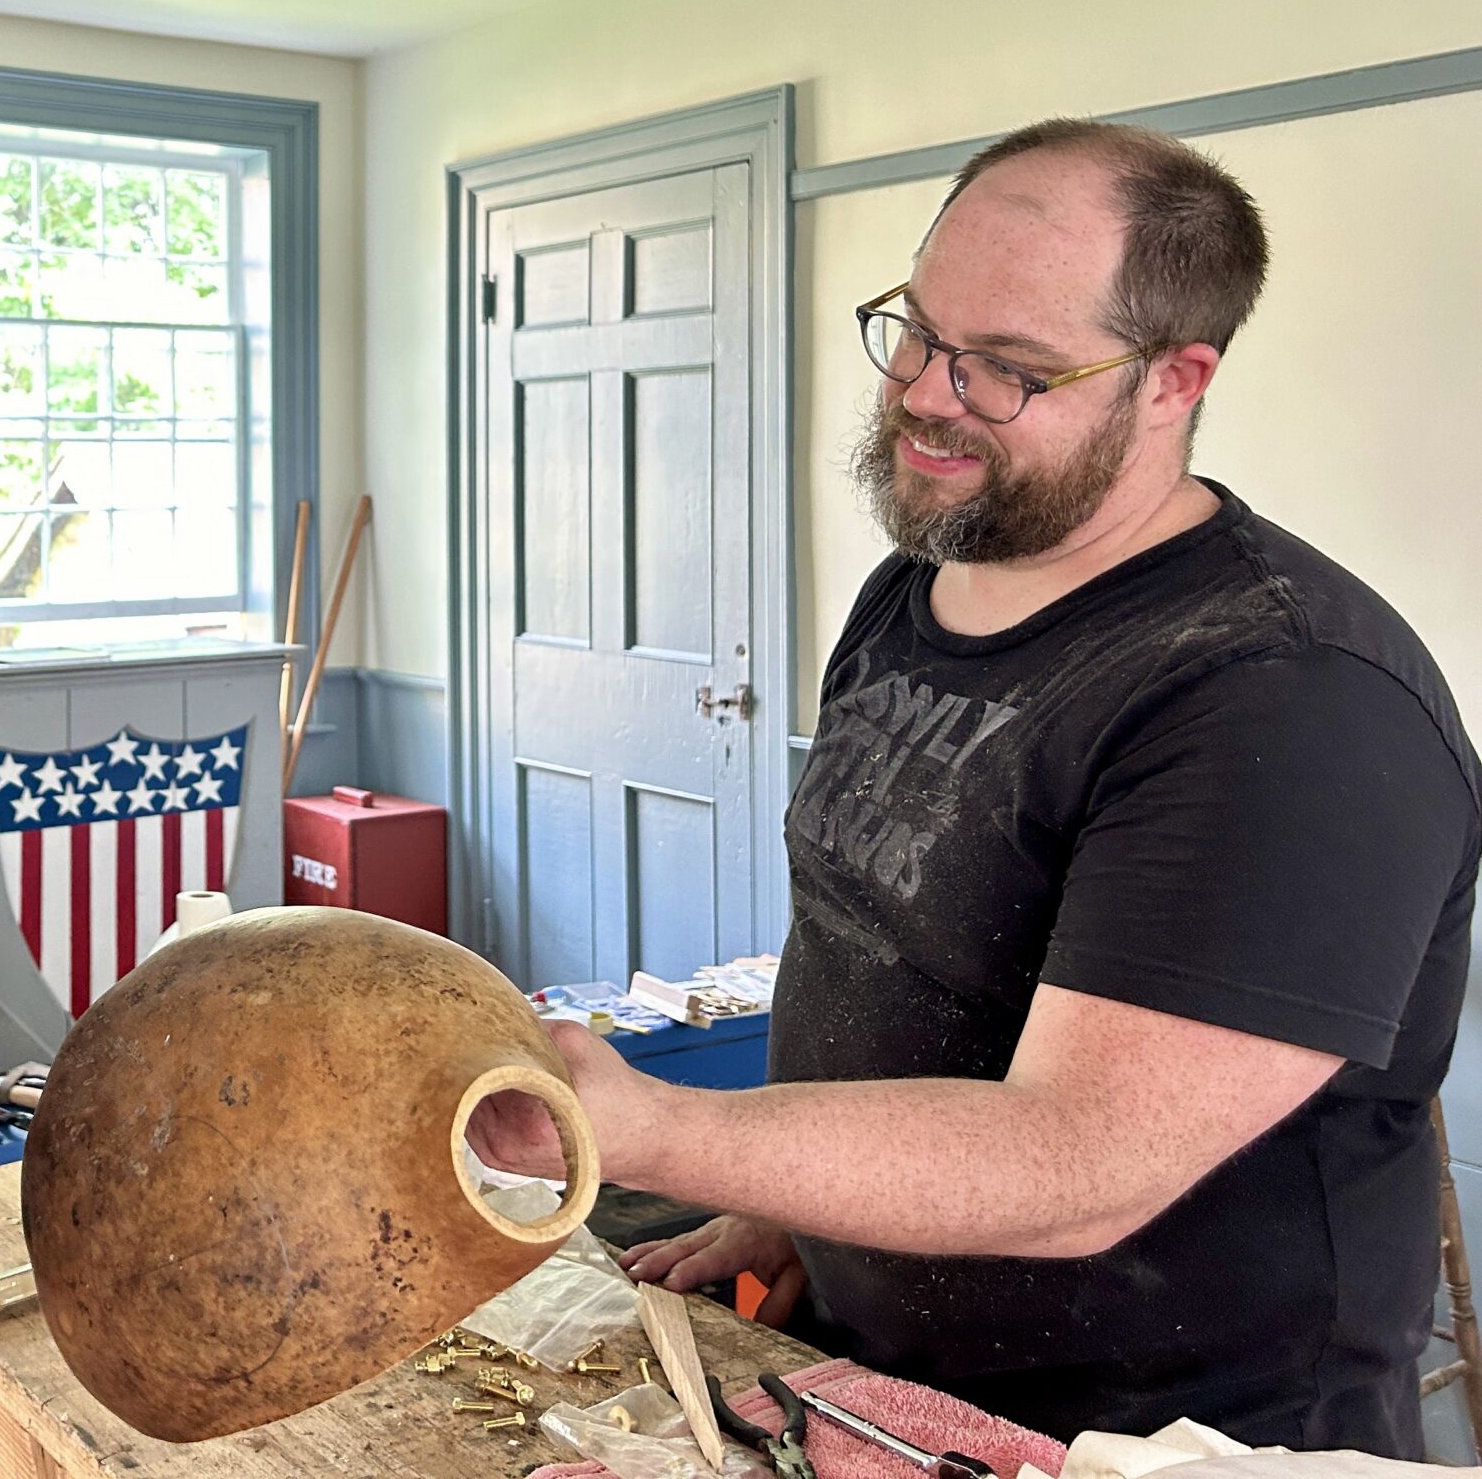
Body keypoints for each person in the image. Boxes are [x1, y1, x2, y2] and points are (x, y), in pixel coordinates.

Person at [471, 120, 1480, 1456]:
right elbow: (897, 957)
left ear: (1175, 380)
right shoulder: (921, 586)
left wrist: (653, 1128)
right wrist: (794, 1205)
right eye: (917, 331)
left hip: (1163, 1441)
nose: (927, 395)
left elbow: (1080, 1160)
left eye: (1007, 368)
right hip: (875, 1385)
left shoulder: (1290, 698)